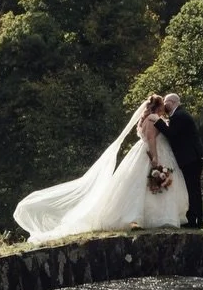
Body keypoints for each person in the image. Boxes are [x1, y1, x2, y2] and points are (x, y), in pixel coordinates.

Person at [13, 94, 189, 239]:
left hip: (142, 154)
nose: (164, 111)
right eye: (162, 108)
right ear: (157, 108)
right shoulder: (153, 119)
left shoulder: (145, 120)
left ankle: (151, 218)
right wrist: (155, 160)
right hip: (152, 154)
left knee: (137, 187)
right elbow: (151, 140)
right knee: (146, 185)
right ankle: (155, 218)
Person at [160, 92, 203, 228]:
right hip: (191, 157)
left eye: (165, 101)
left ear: (172, 102)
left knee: (193, 189)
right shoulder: (178, 115)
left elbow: (171, 134)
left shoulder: (179, 116)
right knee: (193, 189)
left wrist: (157, 122)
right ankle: (195, 220)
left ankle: (195, 221)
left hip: (191, 158)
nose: (163, 104)